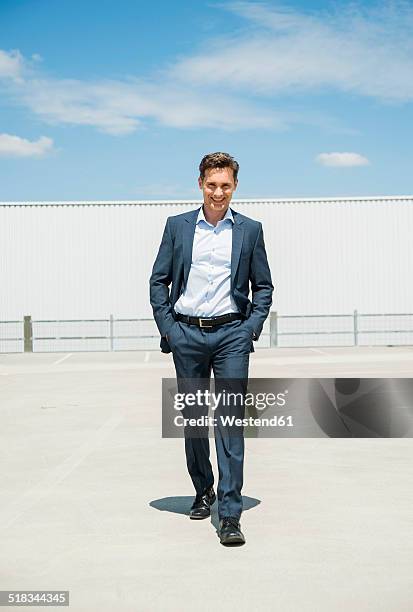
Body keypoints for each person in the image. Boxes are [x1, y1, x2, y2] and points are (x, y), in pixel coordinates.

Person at [150, 152, 273, 545]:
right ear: (200, 184)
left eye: (225, 185)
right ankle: (203, 489)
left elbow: (263, 286)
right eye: (211, 184)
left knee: (231, 423)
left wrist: (250, 328)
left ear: (235, 186)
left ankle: (230, 512)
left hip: (232, 336)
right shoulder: (177, 226)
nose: (218, 192)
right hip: (186, 334)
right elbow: (159, 281)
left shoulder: (250, 231)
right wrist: (169, 330)